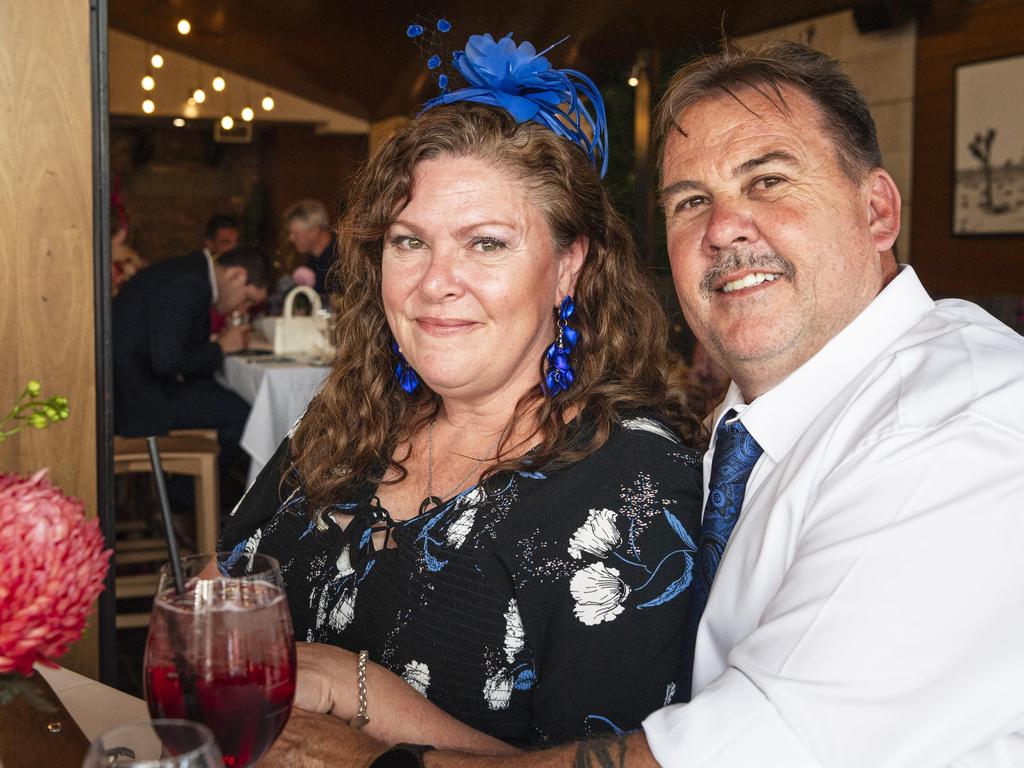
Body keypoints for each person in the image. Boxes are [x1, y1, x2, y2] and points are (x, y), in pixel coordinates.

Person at [260, 39, 1024, 768]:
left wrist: (367, 742)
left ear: (878, 211)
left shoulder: (957, 429)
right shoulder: (762, 429)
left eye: (769, 180)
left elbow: (740, 753)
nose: (724, 227)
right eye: (691, 201)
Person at [220, 31, 707, 752]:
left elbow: (600, 762)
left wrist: (353, 691)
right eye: (409, 241)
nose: (434, 282)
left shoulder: (632, 485)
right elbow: (212, 601)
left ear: (569, 264)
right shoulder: (348, 419)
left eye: (486, 243)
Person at [112, 245, 271, 508]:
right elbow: (168, 362)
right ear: (237, 276)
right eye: (248, 299)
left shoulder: (189, 272)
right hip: (137, 401)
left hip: (134, 388)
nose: (242, 307)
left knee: (226, 400)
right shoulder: (190, 283)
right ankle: (186, 504)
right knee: (246, 414)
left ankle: (192, 502)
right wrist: (221, 347)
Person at [284, 199, 337, 296]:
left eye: (296, 233)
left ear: (314, 231)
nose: (290, 238)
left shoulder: (344, 259)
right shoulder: (311, 263)